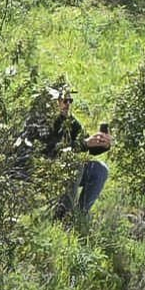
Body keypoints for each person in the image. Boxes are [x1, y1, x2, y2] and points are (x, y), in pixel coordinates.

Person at [40, 87, 112, 219]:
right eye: (64, 100)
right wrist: (85, 143)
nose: (68, 104)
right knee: (75, 164)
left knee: (101, 169)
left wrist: (102, 144)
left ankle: (80, 215)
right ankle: (63, 215)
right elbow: (51, 150)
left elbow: (88, 145)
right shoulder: (43, 122)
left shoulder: (71, 122)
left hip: (67, 171)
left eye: (70, 100)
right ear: (53, 102)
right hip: (46, 170)